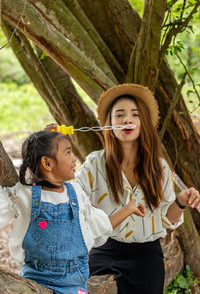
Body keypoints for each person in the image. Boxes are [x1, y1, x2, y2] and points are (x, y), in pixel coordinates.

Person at [45, 83, 200, 294]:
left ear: (142, 123)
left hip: (146, 254)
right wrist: (52, 149)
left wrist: (181, 201)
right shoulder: (94, 163)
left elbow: (167, 219)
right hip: (104, 248)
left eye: (134, 115)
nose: (127, 119)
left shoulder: (160, 168)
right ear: (109, 123)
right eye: (119, 115)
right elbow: (68, 196)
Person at [0, 130, 146, 294]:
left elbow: (98, 227)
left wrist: (128, 210)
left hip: (73, 286)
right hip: (34, 281)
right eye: (68, 152)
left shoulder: (76, 194)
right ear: (48, 164)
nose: (74, 158)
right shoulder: (24, 194)